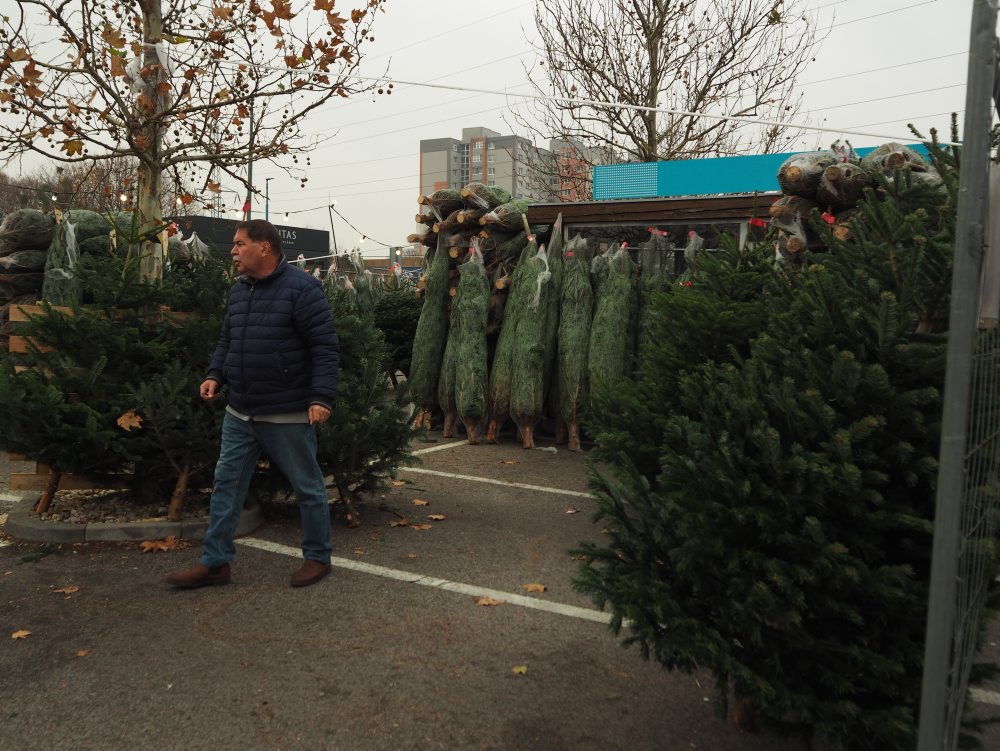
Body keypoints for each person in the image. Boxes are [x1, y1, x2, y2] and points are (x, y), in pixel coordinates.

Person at [165, 219, 340, 589]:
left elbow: (325, 348)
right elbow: (228, 339)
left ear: (264, 247)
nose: (233, 251)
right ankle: (215, 564)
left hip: (287, 411)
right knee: (226, 484)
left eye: (239, 243)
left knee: (307, 486)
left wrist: (321, 397)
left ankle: (317, 557)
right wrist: (215, 374)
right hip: (240, 410)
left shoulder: (303, 289)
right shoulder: (239, 290)